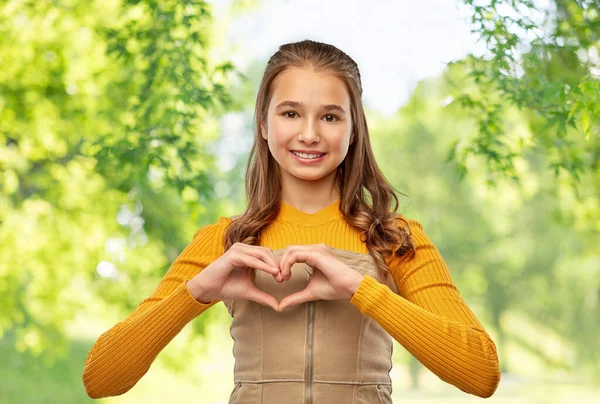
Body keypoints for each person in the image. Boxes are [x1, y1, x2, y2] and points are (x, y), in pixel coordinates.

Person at [82, 39, 501, 402]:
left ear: (354, 131)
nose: (310, 134)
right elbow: (101, 377)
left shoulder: (393, 239)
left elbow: (480, 374)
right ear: (263, 124)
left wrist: (361, 289)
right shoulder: (224, 240)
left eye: (331, 116)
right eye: (290, 113)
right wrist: (197, 292)